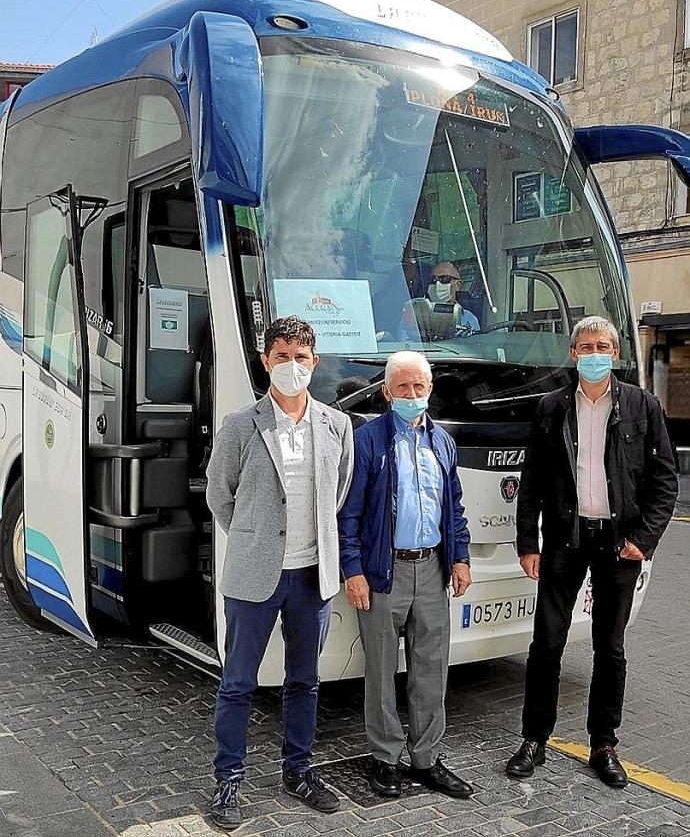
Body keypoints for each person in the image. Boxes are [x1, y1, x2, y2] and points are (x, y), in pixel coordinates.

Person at [505, 316, 678, 788]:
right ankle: (534, 738)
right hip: (565, 538)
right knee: (546, 644)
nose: (595, 353)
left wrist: (643, 539)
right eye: (586, 346)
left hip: (619, 545)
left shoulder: (643, 406)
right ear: (573, 353)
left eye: (603, 345)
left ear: (616, 354)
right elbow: (533, 483)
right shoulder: (551, 408)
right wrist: (527, 543)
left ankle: (603, 743)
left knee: (610, 647)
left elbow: (665, 481)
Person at [206, 316, 354, 830]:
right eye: (282, 356)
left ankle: (299, 770)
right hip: (255, 577)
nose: (292, 366)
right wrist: (253, 539)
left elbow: (337, 492)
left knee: (305, 680)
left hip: (312, 578)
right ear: (266, 361)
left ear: (314, 363)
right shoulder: (241, 425)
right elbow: (218, 495)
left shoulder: (337, 425)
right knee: (239, 682)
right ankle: (228, 781)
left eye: (301, 357)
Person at [339, 350, 474, 800]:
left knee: (431, 668)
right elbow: (349, 513)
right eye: (403, 387)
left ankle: (426, 759)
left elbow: (453, 507)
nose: (412, 395)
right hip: (384, 571)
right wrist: (352, 570)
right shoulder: (368, 442)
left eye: (419, 387)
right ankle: (384, 758)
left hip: (432, 567)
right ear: (386, 392)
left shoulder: (443, 442)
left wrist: (461, 558)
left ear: (430, 390)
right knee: (379, 669)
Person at [401, 260, 480, 341]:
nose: (437, 284)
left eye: (444, 279)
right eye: (433, 280)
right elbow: (403, 342)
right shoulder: (414, 310)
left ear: (458, 285)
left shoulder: (469, 319)